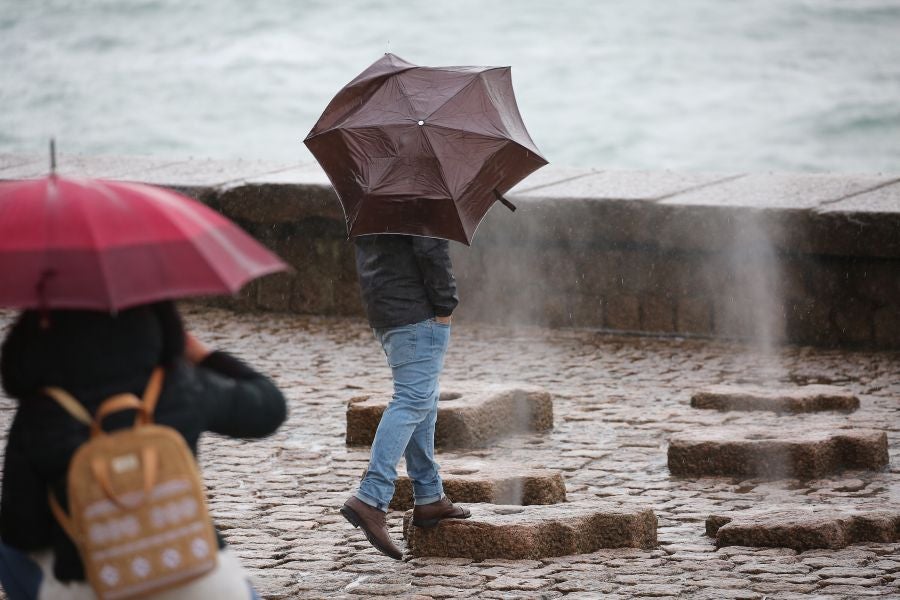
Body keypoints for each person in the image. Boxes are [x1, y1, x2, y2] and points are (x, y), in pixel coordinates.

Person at [0, 302, 287, 599]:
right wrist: (204, 356)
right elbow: (269, 408)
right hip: (198, 582)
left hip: (93, 587)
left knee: (6, 550)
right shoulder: (181, 386)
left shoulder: (41, 412)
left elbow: (23, 532)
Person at [340, 234, 471, 560]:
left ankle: (429, 495)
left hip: (385, 307)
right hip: (416, 311)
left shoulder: (375, 192)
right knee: (413, 399)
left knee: (423, 399)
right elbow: (430, 249)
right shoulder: (420, 191)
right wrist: (445, 305)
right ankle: (371, 498)